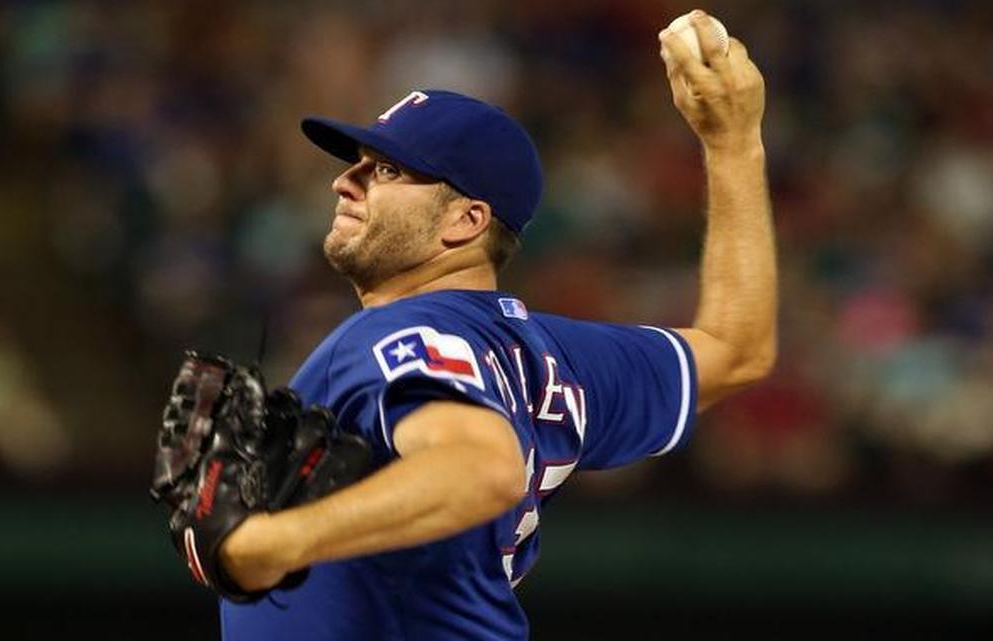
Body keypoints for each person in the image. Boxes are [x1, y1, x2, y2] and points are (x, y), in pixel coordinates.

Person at [214, 11, 774, 640]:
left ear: (467, 222)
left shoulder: (399, 336)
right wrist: (734, 145)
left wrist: (272, 542)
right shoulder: (554, 355)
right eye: (360, 162)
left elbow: (485, 469)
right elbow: (736, 349)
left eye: (387, 170)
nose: (346, 180)